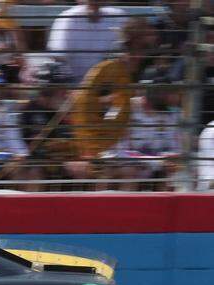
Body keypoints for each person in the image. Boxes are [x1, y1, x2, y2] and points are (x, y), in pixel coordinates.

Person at [68, 18, 154, 163]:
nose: (139, 55)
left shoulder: (147, 64)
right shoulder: (111, 68)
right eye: (136, 48)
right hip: (105, 136)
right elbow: (95, 102)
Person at [18, 60, 93, 189]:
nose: (66, 93)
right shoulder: (30, 111)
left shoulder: (69, 110)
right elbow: (36, 149)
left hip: (67, 160)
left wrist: (84, 158)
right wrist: (64, 163)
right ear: (47, 90)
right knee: (36, 172)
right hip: (42, 163)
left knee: (93, 169)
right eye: (62, 88)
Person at [101, 75, 183, 191]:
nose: (172, 97)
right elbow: (118, 148)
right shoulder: (127, 108)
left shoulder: (172, 115)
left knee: (174, 174)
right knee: (130, 171)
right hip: (121, 159)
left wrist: (171, 160)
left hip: (154, 163)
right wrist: (155, 161)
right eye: (167, 93)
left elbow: (176, 147)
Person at [46, 0, 127, 82]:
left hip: (108, 83)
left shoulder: (118, 17)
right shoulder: (68, 18)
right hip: (74, 84)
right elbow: (58, 57)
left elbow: (125, 50)